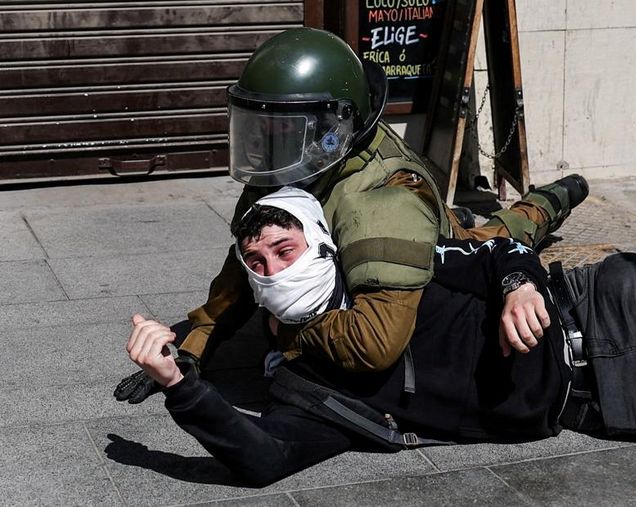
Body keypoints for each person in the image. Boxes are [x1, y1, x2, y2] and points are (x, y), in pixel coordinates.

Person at [125, 187, 636, 486]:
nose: (270, 271)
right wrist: (180, 386)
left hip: (602, 305)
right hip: (605, 399)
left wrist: (517, 283)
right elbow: (264, 459)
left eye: (284, 250)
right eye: (256, 261)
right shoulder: (303, 384)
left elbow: (496, 245)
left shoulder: (391, 268)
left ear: (323, 242)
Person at [114, 27, 590, 403]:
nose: (265, 149)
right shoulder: (291, 165)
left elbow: (377, 343)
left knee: (508, 229)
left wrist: (285, 331)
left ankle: (556, 196)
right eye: (261, 128)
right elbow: (244, 267)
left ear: (331, 128)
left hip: (435, 243)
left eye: (282, 130)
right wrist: (192, 352)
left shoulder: (379, 200)